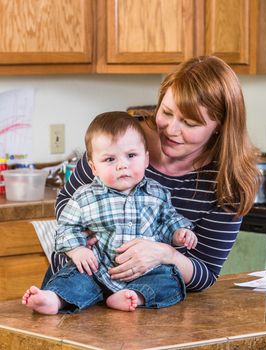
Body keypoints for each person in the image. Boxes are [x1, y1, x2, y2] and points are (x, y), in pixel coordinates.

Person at [47, 55, 260, 296]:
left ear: (219, 126)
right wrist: (86, 234)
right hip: (79, 285)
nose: (171, 129)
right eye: (166, 112)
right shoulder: (123, 137)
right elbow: (65, 202)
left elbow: (205, 275)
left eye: (189, 123)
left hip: (147, 301)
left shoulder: (228, 184)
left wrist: (165, 253)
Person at [22, 112, 198, 314]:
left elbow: (168, 221)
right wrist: (77, 250)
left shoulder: (157, 194)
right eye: (110, 159)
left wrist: (179, 233)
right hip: (96, 269)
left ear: (146, 159)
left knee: (170, 280)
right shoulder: (85, 197)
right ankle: (53, 299)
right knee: (74, 276)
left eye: (131, 156)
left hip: (145, 272)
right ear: (93, 167)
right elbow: (66, 228)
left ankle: (134, 296)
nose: (122, 164)